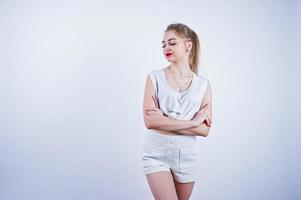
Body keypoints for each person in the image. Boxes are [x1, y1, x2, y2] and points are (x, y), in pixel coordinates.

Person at [142, 23, 212, 200]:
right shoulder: (154, 78)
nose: (166, 47)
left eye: (172, 43)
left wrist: (164, 121)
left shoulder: (203, 85)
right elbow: (150, 122)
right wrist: (192, 122)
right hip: (156, 152)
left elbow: (204, 130)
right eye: (163, 44)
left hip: (187, 155)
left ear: (188, 45)